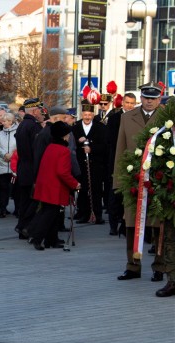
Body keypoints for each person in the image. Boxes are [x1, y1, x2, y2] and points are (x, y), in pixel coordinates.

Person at [113, 82, 165, 282]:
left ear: (160, 99)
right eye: (146, 98)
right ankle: (132, 266)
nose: (150, 101)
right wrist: (118, 181)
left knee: (158, 225)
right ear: (141, 98)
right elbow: (120, 149)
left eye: (154, 98)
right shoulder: (127, 117)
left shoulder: (166, 118)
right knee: (131, 224)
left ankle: (159, 267)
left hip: (159, 180)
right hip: (132, 179)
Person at [27, 122, 80, 250]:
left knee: (52, 214)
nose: (68, 137)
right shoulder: (63, 150)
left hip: (45, 185)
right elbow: (63, 172)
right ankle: (38, 238)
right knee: (49, 215)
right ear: (63, 136)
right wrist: (75, 184)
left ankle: (52, 240)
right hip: (54, 188)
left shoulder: (50, 146)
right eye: (67, 135)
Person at [106, 93, 136, 235]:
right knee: (114, 194)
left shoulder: (137, 118)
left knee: (129, 195)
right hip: (116, 160)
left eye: (132, 103)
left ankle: (125, 225)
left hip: (133, 161)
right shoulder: (114, 118)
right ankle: (113, 225)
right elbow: (111, 140)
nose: (130, 105)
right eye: (127, 102)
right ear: (123, 103)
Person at [14, 98, 44, 238]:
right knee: (32, 200)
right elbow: (36, 150)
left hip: (23, 168)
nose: (40, 112)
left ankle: (22, 228)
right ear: (34, 110)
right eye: (38, 110)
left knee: (25, 200)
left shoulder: (22, 125)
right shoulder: (33, 126)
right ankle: (23, 226)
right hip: (32, 168)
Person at [73, 102, 107, 224]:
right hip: (81, 165)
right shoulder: (75, 127)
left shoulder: (100, 127)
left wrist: (91, 148)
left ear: (93, 115)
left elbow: (104, 146)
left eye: (90, 115)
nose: (87, 117)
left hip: (95, 165)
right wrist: (79, 142)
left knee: (96, 190)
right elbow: (72, 146)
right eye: (85, 114)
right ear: (82, 114)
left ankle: (97, 215)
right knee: (82, 190)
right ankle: (83, 214)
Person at [0, 112, 17, 217]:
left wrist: (12, 155)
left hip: (14, 165)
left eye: (4, 121)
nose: (2, 123)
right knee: (3, 188)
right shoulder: (1, 133)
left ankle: (18, 209)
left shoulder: (17, 132)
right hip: (2, 164)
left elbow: (19, 146)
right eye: (2, 121)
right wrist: (5, 154)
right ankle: (2, 209)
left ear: (10, 121)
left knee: (16, 189)